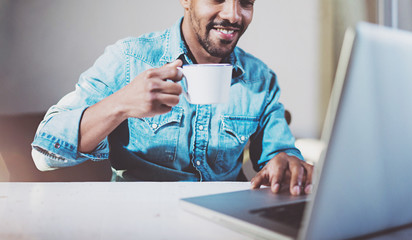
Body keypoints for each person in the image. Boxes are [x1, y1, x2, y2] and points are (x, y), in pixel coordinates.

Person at [31, 0, 313, 195]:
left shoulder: (260, 79)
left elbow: (280, 154)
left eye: (246, 2)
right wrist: (120, 104)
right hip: (137, 223)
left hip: (224, 224)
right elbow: (44, 153)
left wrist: (287, 165)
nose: (234, 15)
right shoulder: (130, 59)